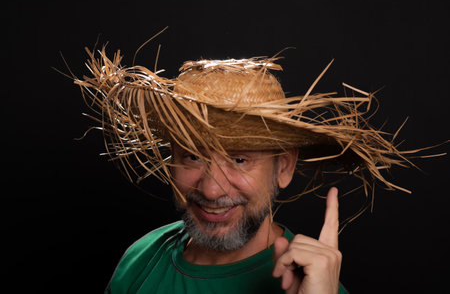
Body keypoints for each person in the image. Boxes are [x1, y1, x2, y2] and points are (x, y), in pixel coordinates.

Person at [75, 47, 418, 293]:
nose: (211, 190)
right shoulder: (142, 258)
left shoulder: (315, 285)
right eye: (193, 156)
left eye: (239, 160)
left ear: (283, 166)